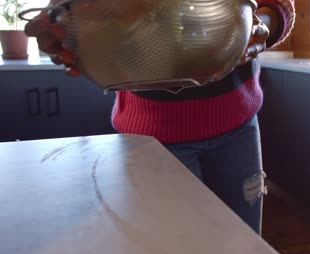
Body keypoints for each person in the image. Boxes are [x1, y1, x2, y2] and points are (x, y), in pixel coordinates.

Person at [25, 0, 295, 234]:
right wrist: (57, 22)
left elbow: (278, 5)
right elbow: (75, 9)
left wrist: (259, 27)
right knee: (175, 249)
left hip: (238, 126)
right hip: (154, 135)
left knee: (243, 246)